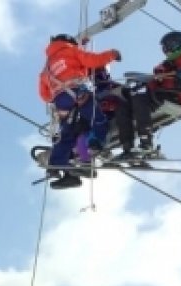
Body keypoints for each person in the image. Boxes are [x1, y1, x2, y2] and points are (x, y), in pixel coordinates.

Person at [38, 34, 122, 188]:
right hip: (78, 93)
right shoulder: (72, 51)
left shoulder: (47, 67)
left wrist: (59, 94)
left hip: (61, 102)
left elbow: (44, 95)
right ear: (69, 42)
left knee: (66, 135)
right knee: (97, 119)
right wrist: (112, 54)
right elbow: (93, 61)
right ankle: (96, 144)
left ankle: (55, 167)